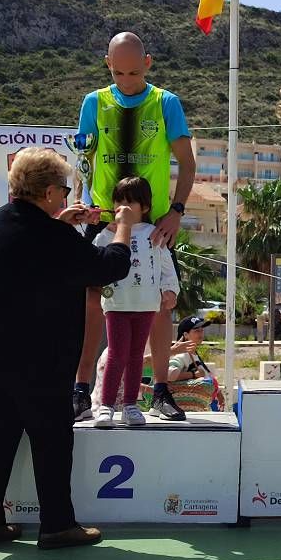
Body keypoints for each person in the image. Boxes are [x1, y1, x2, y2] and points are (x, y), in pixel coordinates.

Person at [0, 148, 133, 550]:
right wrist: (124, 227)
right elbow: (109, 266)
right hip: (31, 353)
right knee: (50, 437)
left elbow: (34, 247)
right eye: (64, 192)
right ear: (48, 192)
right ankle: (57, 525)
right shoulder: (53, 236)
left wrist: (61, 224)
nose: (67, 199)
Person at [72, 31, 196, 423]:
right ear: (108, 64)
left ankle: (159, 390)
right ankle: (80, 389)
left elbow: (187, 164)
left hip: (152, 226)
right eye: (118, 71)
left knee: (160, 304)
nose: (125, 79)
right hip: (104, 221)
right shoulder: (94, 102)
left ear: (148, 62)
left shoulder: (166, 103)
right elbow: (84, 160)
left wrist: (175, 211)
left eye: (133, 71)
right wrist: (83, 202)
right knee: (93, 304)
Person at [92, 176, 179, 428]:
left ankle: (130, 405)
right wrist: (105, 233)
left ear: (145, 207)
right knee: (116, 354)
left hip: (146, 305)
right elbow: (97, 258)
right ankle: (106, 406)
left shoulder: (153, 233)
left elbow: (166, 266)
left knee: (136, 356)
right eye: (119, 201)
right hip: (117, 305)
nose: (124, 207)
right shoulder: (107, 234)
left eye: (131, 202)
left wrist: (170, 290)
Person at [166, 315, 225, 412]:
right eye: (196, 330)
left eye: (202, 330)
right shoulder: (182, 355)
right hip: (186, 413)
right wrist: (193, 374)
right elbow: (169, 374)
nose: (201, 333)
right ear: (185, 335)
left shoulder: (193, 355)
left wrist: (218, 392)